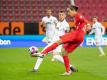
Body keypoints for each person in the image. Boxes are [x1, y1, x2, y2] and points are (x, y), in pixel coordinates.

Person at [36, 5, 88, 76]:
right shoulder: (74, 18)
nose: (68, 13)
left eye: (69, 11)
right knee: (64, 52)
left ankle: (43, 53)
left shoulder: (78, 16)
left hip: (77, 35)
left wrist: (87, 25)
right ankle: (68, 71)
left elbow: (85, 21)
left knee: (58, 42)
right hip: (80, 38)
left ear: (73, 10)